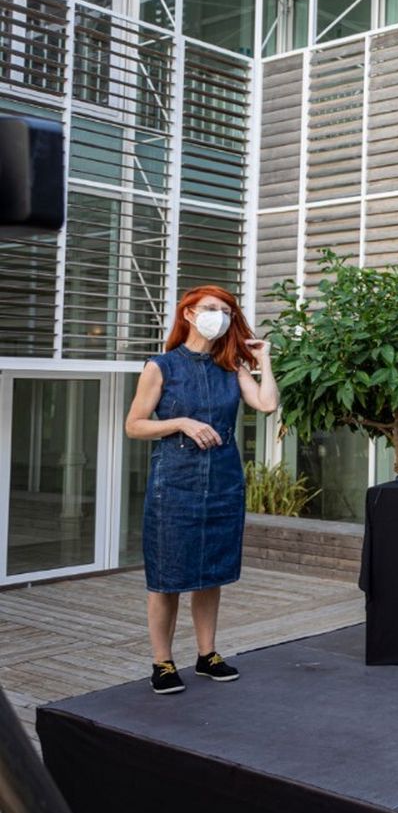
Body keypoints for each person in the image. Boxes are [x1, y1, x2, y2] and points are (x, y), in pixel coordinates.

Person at [125, 285, 278, 695]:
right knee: (167, 576)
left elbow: (266, 404)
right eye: (211, 308)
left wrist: (263, 359)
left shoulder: (231, 367)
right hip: (175, 483)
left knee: (211, 574)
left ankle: (207, 655)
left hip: (224, 482)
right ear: (189, 314)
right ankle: (162, 662)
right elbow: (134, 425)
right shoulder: (161, 366)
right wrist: (181, 423)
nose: (220, 317)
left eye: (227, 311)